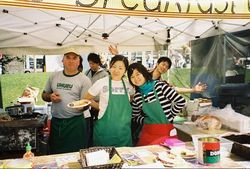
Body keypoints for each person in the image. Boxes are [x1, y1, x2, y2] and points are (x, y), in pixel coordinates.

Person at [42, 52, 92, 154]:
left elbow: (87, 103)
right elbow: (44, 95)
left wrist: (81, 107)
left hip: (76, 123)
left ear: (79, 61)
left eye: (74, 58)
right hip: (57, 122)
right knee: (56, 155)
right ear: (63, 60)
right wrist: (50, 97)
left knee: (76, 155)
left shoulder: (84, 80)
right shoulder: (54, 76)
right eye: (68, 58)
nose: (71, 61)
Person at [127, 62, 186, 146]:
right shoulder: (137, 96)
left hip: (165, 131)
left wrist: (170, 115)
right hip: (147, 133)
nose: (136, 78)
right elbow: (134, 116)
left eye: (138, 74)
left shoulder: (160, 86)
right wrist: (145, 121)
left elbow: (181, 101)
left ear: (144, 73)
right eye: (132, 77)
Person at [108, 45, 207, 94]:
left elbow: (175, 89)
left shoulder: (161, 82)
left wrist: (193, 89)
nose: (164, 67)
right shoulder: (144, 73)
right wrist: (117, 54)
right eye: (163, 64)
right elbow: (131, 66)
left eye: (167, 67)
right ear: (157, 64)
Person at [84, 55, 134, 147]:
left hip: (123, 133)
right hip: (104, 131)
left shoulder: (128, 85)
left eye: (120, 68)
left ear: (125, 70)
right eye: (114, 67)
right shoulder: (102, 82)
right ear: (109, 67)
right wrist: (100, 107)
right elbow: (87, 98)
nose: (116, 70)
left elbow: (132, 97)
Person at [85, 53, 109, 146]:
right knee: (89, 125)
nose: (91, 65)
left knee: (98, 124)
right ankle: (90, 143)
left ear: (98, 63)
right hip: (88, 103)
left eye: (93, 63)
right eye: (90, 63)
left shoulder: (104, 74)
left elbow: (105, 91)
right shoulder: (86, 72)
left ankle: (98, 143)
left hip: (99, 104)